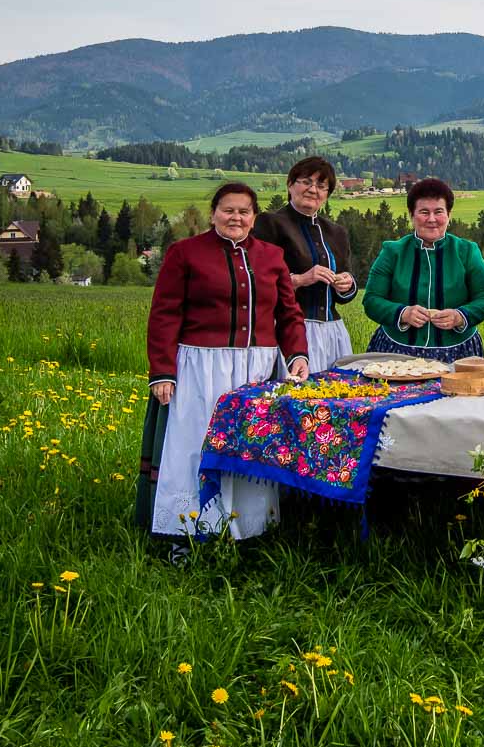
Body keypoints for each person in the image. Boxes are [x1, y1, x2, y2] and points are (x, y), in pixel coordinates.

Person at [138, 181, 308, 550]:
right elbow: (165, 315)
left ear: (254, 217)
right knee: (195, 444)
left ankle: (248, 530)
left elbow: (289, 313)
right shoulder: (185, 253)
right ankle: (186, 532)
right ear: (214, 212)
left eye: (244, 211)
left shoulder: (271, 256)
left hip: (257, 370)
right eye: (228, 210)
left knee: (251, 448)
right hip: (201, 367)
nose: (236, 217)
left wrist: (296, 356)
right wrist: (162, 371)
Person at [361, 177, 484, 361]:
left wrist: (459, 316)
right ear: (411, 214)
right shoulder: (392, 252)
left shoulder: (467, 251)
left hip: (459, 352)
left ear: (449, 214)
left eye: (438, 212)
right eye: (424, 212)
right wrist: (403, 313)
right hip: (396, 351)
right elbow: (371, 300)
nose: (432, 219)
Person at [254, 156, 358, 376]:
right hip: (290, 330)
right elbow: (257, 282)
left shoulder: (337, 232)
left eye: (321, 186)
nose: (313, 190)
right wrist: (301, 279)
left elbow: (344, 296)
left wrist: (346, 285)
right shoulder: (270, 224)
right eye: (306, 182)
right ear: (290, 185)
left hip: (333, 332)